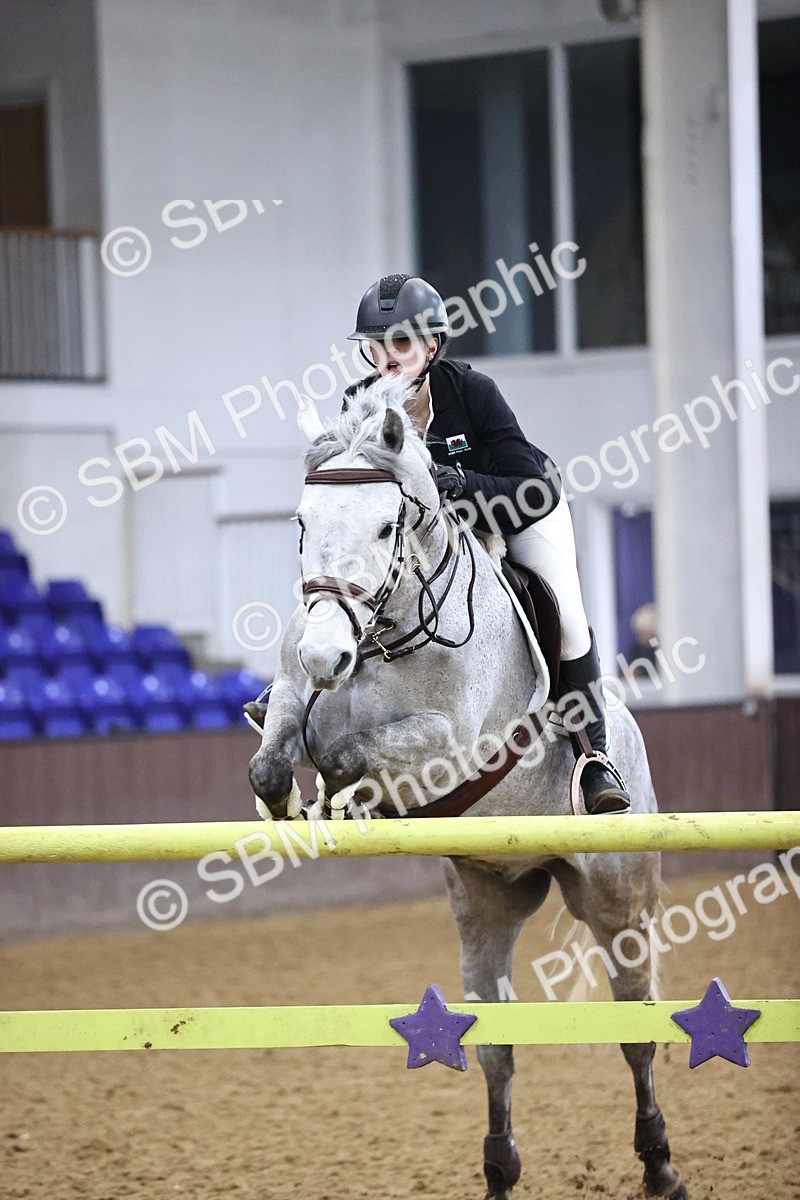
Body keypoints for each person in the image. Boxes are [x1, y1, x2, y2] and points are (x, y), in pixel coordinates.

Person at [344, 273, 630, 815]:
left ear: (432, 346)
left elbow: (530, 488)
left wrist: (463, 484)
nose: (387, 358)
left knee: (567, 618)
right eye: (376, 345)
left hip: (517, 510)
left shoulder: (472, 392)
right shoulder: (359, 404)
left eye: (400, 342)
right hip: (430, 535)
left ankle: (595, 759)